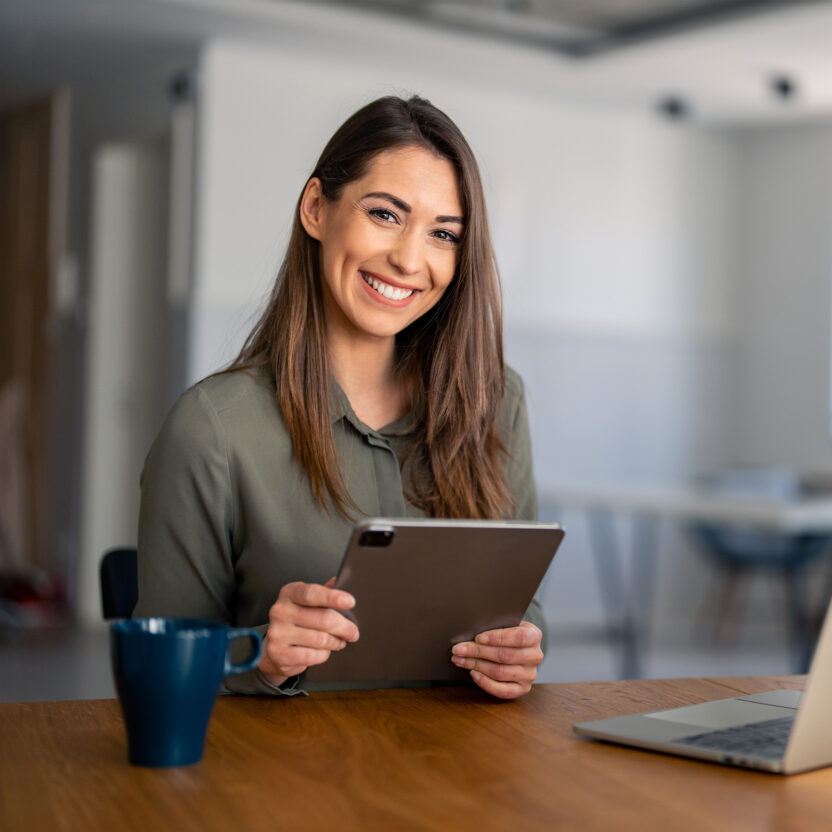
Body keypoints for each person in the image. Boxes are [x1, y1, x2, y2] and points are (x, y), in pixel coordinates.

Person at [134, 95, 545, 700]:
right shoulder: (213, 429)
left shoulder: (497, 401)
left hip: (462, 777)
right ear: (316, 209)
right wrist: (261, 657)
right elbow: (155, 672)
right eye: (385, 214)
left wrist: (517, 650)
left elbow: (522, 606)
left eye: (443, 234)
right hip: (279, 782)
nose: (409, 258)